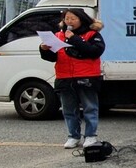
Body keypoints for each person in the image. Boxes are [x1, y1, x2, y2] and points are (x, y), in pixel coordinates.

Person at [39, 9, 106, 149]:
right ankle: (73, 136)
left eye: (73, 18)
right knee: (69, 109)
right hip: (64, 76)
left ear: (81, 19)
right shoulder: (58, 35)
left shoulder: (92, 34)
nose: (69, 22)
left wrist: (75, 39)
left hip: (87, 76)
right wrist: (44, 49)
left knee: (89, 108)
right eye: (67, 19)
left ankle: (91, 136)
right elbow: (52, 57)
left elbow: (95, 51)